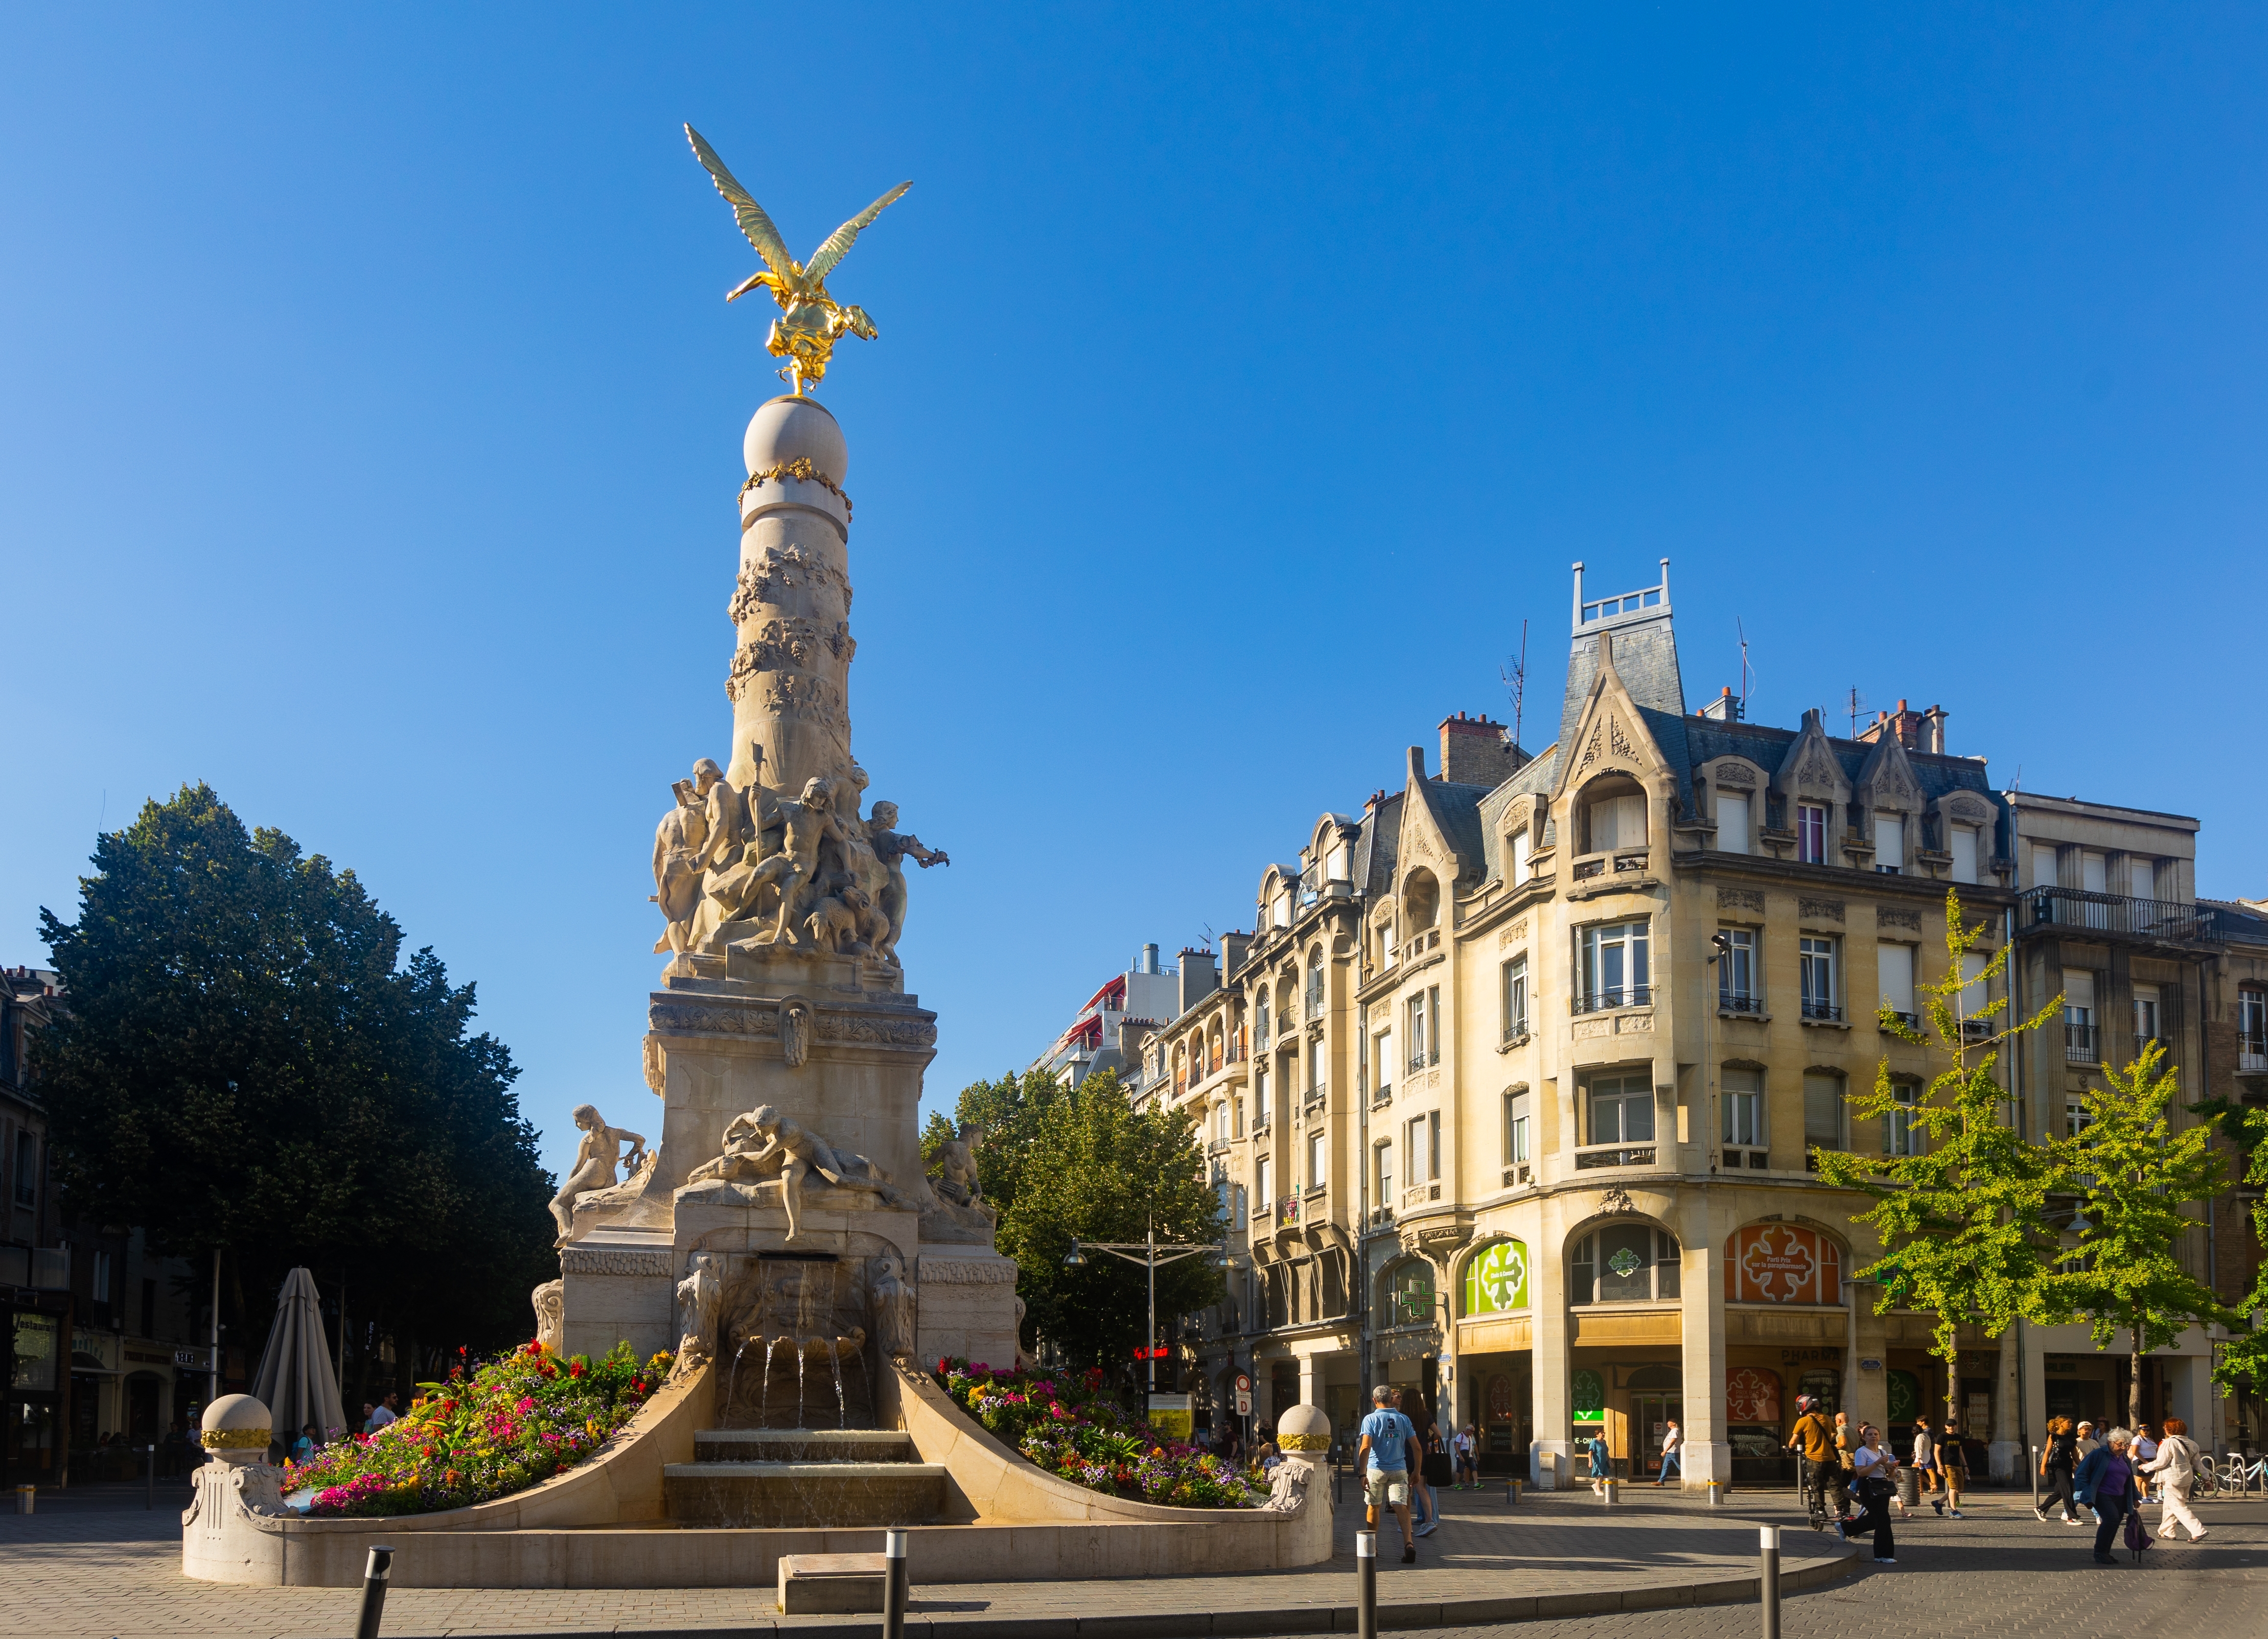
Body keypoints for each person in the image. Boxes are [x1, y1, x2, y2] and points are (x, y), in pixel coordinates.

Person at [1358, 1384, 1421, 1564]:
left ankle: (1372, 1546)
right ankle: (1408, 1543)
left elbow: (1365, 1447)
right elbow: (1417, 1447)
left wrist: (1362, 1474)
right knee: (1401, 1506)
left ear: (1374, 1400)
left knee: (1374, 1506)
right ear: (1390, 1399)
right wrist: (1416, 1471)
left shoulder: (1370, 1419)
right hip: (1399, 1469)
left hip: (1376, 1469)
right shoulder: (1404, 1419)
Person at [2074, 1426, 2139, 1565]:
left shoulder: (2124, 1458)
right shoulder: (2098, 1454)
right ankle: (2100, 1552)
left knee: (2115, 1523)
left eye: (2126, 1445)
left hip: (2120, 1495)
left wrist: (2135, 1496)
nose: (2123, 1447)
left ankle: (2106, 1552)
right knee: (2111, 1519)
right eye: (2120, 1444)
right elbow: (2081, 1473)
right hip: (2102, 1494)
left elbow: (2130, 1479)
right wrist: (2086, 1491)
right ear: (2111, 1442)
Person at [1836, 1424, 1900, 1563]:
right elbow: (1860, 1472)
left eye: (1876, 1434)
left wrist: (1892, 1468)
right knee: (1884, 1520)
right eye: (1870, 1435)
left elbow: (1889, 1474)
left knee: (1876, 1519)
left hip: (1883, 1488)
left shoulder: (1883, 1453)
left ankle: (1845, 1527)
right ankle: (1882, 1555)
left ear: (1880, 1437)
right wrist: (1877, 1463)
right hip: (1869, 1488)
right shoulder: (1862, 1452)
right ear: (1864, 1438)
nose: (1873, 1437)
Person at [2142, 1416, 2207, 1543]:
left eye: (2165, 1428)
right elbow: (2198, 1464)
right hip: (2187, 1478)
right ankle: (2167, 1532)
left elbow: (2161, 1462)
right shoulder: (2192, 1443)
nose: (2164, 1429)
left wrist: (2145, 1466)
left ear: (2170, 1429)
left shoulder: (2169, 1443)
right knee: (2169, 1505)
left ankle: (2198, 1531)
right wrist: (2207, 1478)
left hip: (2172, 1478)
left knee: (2177, 1506)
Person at [1787, 1395, 1844, 1523]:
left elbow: (1793, 1441)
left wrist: (1789, 1449)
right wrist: (1826, 1440)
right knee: (1834, 1484)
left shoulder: (1803, 1421)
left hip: (1814, 1458)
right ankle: (1841, 1510)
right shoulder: (1826, 1418)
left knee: (1816, 1486)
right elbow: (1834, 1433)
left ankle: (1820, 1510)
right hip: (1830, 1458)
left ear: (1803, 1406)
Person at [2039, 1415, 2082, 1525]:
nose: (2071, 1424)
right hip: (2057, 1466)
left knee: (2061, 1490)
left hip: (2068, 1465)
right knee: (2067, 1490)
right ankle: (2072, 1517)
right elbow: (2047, 1452)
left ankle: (2042, 1509)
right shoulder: (2054, 1436)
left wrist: (2082, 1466)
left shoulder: (2071, 1437)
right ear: (2060, 1423)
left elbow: (2075, 1455)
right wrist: (2043, 1466)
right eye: (2068, 1422)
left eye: (2071, 1422)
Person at [1410, 1413, 1442, 1536]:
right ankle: (1429, 1519)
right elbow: (1438, 1434)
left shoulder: (1403, 1415)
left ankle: (1405, 1523)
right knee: (1422, 1489)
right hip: (1423, 1456)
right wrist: (1426, 1441)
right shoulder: (1426, 1415)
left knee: (1406, 1491)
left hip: (1406, 1455)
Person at [1936, 1414, 1969, 1518]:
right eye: (1949, 1426)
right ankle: (1954, 1511)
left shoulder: (1958, 1437)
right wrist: (1939, 1466)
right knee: (1953, 1488)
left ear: (1956, 1426)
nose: (1951, 1427)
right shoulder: (1942, 1437)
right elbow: (1936, 1452)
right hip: (1947, 1464)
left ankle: (1939, 1502)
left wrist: (1965, 1465)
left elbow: (1960, 1452)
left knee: (1959, 1489)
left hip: (1957, 1465)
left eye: (1953, 1425)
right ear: (1946, 1427)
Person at [2131, 1424, 2158, 1501]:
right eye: (2144, 1430)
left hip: (2151, 1460)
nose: (2146, 1432)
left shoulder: (2150, 1439)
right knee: (2140, 1479)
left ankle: (2146, 1496)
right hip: (2141, 1460)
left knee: (2147, 1479)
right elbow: (2135, 1452)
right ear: (2140, 1431)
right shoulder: (2138, 1439)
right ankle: (2138, 1496)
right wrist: (2145, 1461)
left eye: (2148, 1430)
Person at [1655, 1418, 1683, 1486]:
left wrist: (1665, 1451)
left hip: (1673, 1452)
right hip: (1670, 1452)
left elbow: (1673, 1442)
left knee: (1680, 1467)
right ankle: (1661, 1481)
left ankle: (1689, 1477)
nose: (1668, 1423)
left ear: (1674, 1423)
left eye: (1669, 1422)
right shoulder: (1673, 1431)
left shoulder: (1675, 1430)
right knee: (1666, 1466)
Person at [1453, 1423, 1479, 1489]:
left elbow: (1471, 1447)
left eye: (1473, 1431)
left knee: (1474, 1469)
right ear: (1467, 1430)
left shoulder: (1470, 1437)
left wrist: (1474, 1457)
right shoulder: (1460, 1436)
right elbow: (1456, 1447)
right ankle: (1457, 1484)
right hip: (1462, 1456)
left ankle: (1476, 1484)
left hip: (1470, 1456)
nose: (1472, 1433)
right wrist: (1460, 1456)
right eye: (1472, 1431)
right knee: (1460, 1470)